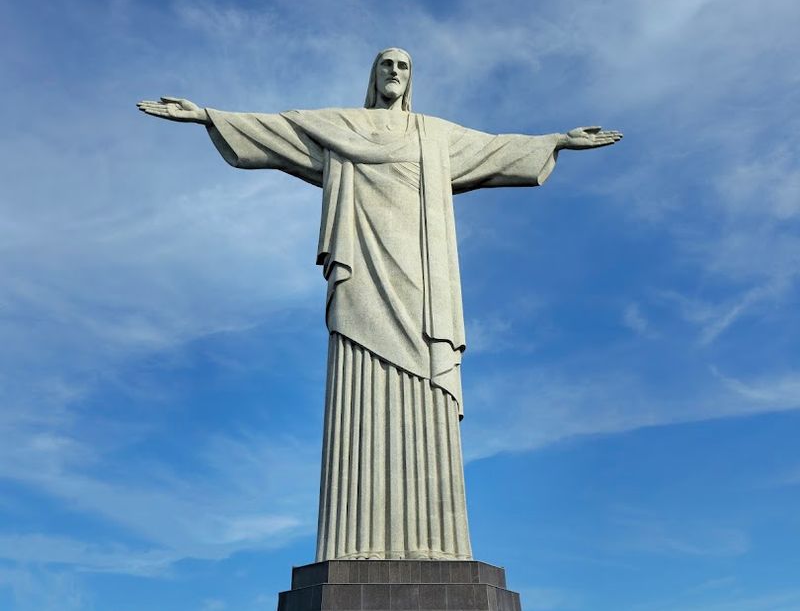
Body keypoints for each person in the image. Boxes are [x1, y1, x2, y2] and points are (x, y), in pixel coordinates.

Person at [138, 48, 621, 561]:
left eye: (404, 65)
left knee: (424, 395)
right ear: (373, 75)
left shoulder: (434, 136)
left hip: (423, 279)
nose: (394, 71)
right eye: (386, 64)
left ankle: (437, 543)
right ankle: (353, 542)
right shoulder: (339, 126)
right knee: (360, 388)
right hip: (364, 274)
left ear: (412, 78)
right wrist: (208, 115)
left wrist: (557, 142)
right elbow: (276, 130)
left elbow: (496, 150)